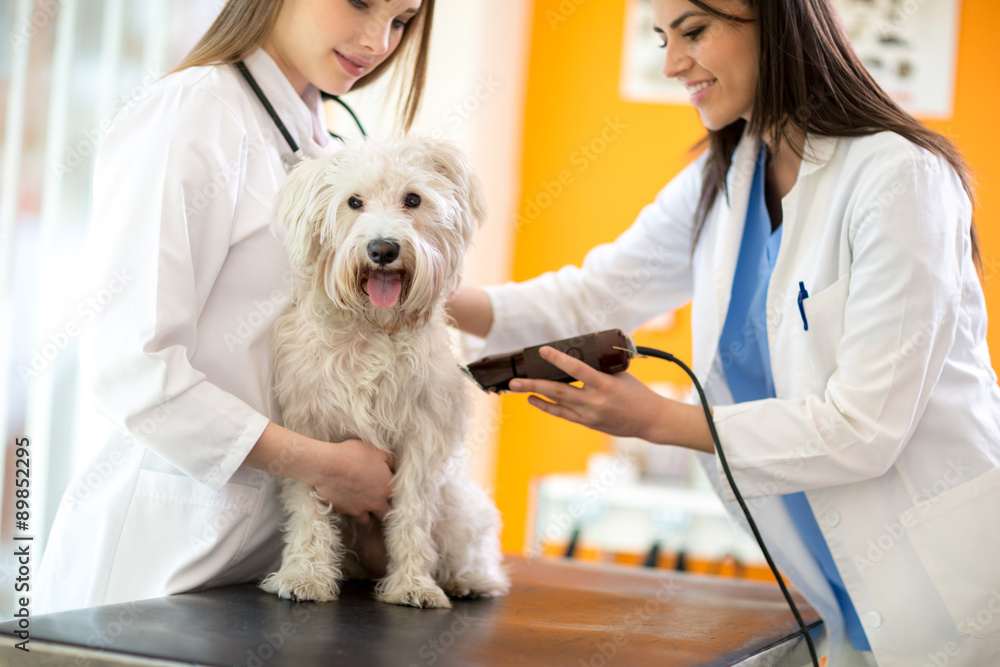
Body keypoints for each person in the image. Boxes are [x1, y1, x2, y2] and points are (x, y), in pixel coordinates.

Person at [448, 0, 1000, 665]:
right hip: (842, 603)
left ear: (777, 20)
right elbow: (596, 294)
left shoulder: (898, 176)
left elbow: (865, 428)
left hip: (960, 595)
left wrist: (656, 418)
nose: (674, 62)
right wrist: (423, 298)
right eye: (663, 38)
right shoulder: (726, 176)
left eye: (695, 31)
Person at [36, 0, 434, 614]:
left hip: (257, 564)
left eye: (402, 20)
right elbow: (132, 368)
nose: (379, 39)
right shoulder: (193, 112)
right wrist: (323, 465)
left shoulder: (318, 139)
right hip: (159, 562)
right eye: (360, 3)